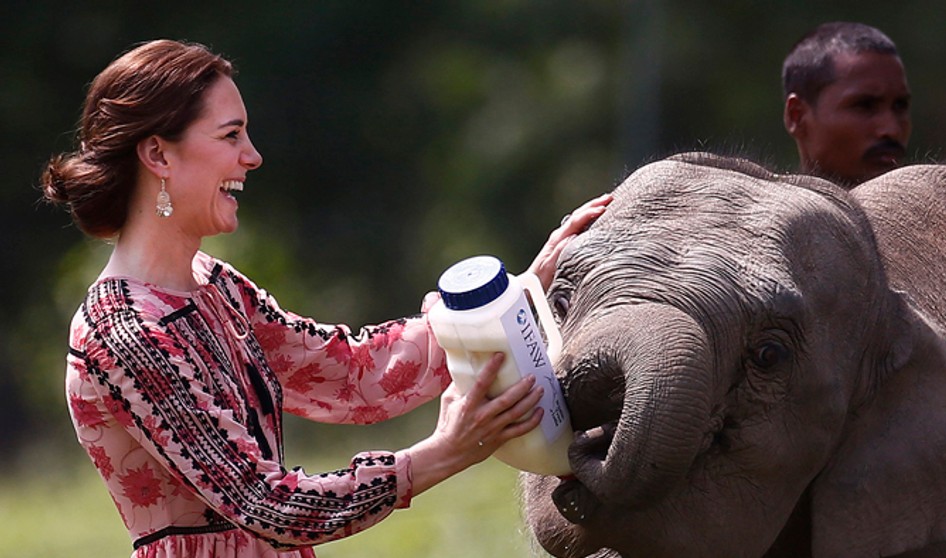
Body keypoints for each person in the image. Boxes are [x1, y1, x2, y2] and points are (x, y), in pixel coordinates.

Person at [41, 39, 610, 558]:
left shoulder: (213, 284)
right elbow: (266, 504)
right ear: (159, 156)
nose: (252, 157)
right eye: (230, 135)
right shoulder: (125, 331)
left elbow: (351, 374)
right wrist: (442, 454)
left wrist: (517, 292)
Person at [781, 21, 912, 188]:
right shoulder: (757, 212)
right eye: (865, 105)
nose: (892, 130)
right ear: (797, 116)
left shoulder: (938, 212)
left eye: (900, 106)